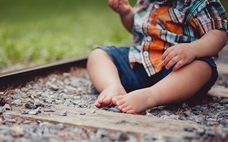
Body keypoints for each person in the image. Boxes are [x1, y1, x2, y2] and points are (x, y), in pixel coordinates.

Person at [87, 0, 228, 114]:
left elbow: (218, 34)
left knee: (202, 68)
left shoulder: (200, 3)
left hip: (175, 71)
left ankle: (151, 96)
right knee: (98, 55)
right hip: (138, 62)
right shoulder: (146, 1)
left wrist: (193, 49)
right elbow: (139, 29)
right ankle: (113, 85)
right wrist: (126, 13)